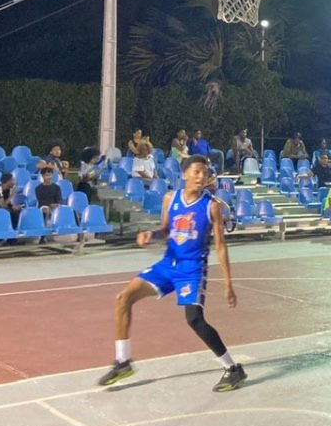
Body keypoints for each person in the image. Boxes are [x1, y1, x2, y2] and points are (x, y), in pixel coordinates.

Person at [98, 156, 246, 391]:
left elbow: (220, 246)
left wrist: (228, 284)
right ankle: (122, 362)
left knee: (194, 320)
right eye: (196, 172)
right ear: (185, 174)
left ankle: (232, 368)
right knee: (123, 298)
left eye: (204, 173)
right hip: (168, 264)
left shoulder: (211, 206)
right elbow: (165, 229)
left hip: (192, 268)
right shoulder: (170, 198)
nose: (201, 176)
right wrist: (151, 235)